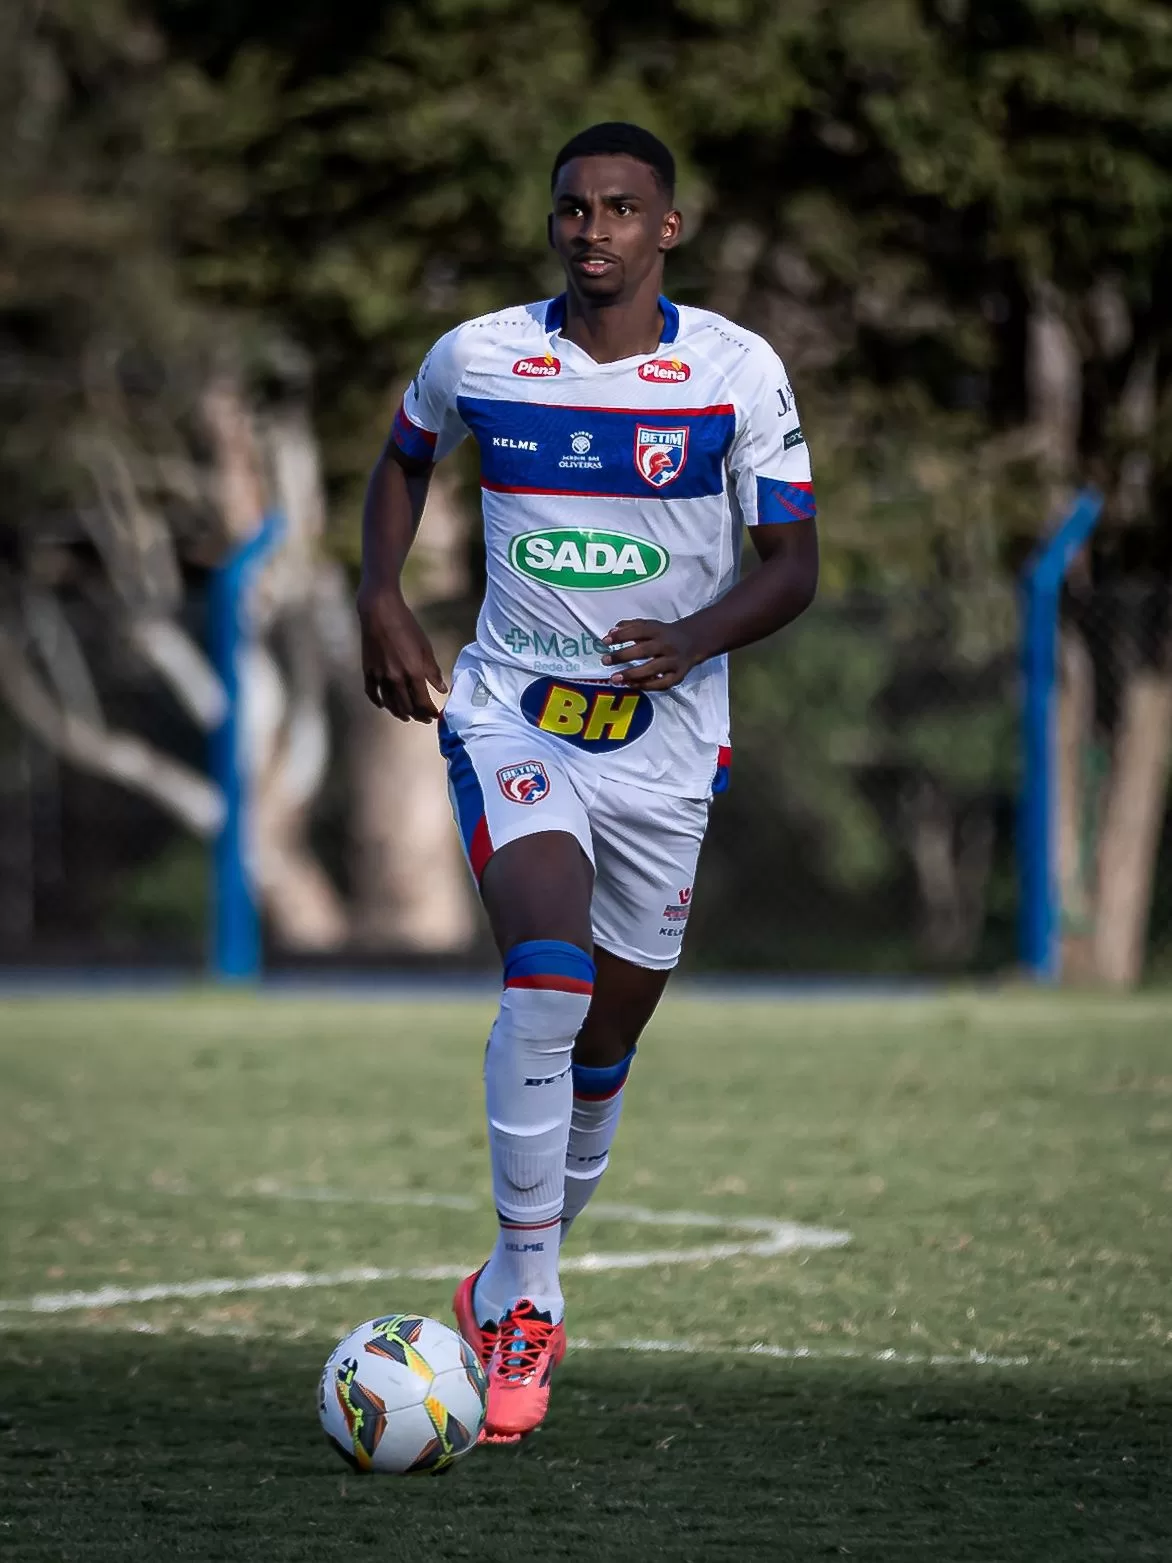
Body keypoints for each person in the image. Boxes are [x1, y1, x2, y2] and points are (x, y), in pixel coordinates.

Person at [357, 121, 819, 1443]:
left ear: (667, 227)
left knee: (605, 1050)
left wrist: (696, 636)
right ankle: (531, 1300)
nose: (593, 228)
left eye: (621, 208)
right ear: (552, 220)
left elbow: (794, 566)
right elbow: (405, 456)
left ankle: (501, 1278)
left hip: (666, 747)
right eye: (574, 207)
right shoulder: (479, 354)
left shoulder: (737, 369)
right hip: (514, 718)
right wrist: (378, 593)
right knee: (548, 977)